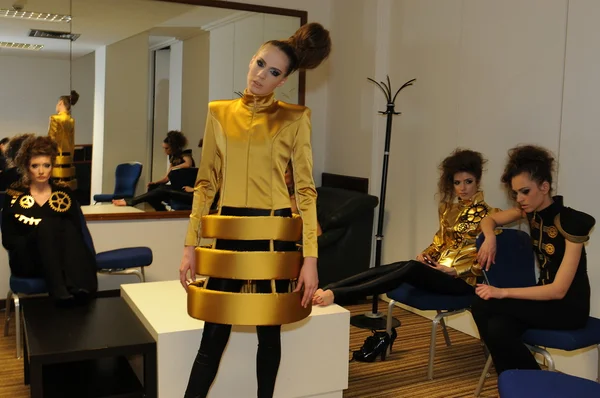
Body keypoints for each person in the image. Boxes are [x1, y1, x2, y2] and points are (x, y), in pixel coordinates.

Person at [178, 23, 331, 398]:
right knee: (213, 332)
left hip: (274, 231)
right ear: (251, 60)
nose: (262, 75)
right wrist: (190, 246)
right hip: (229, 230)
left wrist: (310, 258)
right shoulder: (218, 112)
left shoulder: (296, 118)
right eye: (260, 64)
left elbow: (306, 192)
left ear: (283, 81)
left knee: (269, 329)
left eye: (273, 72)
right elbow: (205, 184)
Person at [312, 149, 499, 360]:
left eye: (468, 182)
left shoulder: (491, 215)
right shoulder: (449, 209)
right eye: (457, 183)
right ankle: (334, 288)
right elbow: (439, 242)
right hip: (437, 272)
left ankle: (337, 293)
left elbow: (489, 260)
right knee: (402, 266)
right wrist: (426, 255)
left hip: (462, 281)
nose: (463, 188)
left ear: (478, 181)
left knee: (408, 268)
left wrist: (455, 270)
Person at [472, 145, 594, 375]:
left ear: (544, 187)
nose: (519, 199)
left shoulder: (570, 223)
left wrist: (503, 292)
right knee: (498, 327)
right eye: (516, 193)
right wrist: (489, 238)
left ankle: (525, 383)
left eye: (525, 191)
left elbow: (558, 291)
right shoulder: (529, 211)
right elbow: (489, 220)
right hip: (543, 302)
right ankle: (522, 383)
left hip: (568, 308)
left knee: (483, 304)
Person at [1, 136, 98, 305]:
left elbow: (76, 233)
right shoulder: (14, 195)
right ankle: (60, 288)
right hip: (27, 259)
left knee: (66, 224)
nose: (41, 171)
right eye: (35, 166)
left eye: (46, 165)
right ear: (26, 167)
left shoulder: (64, 194)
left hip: (62, 259)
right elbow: (9, 240)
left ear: (52, 166)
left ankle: (76, 286)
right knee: (47, 224)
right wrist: (40, 236)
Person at [112, 130, 195, 211]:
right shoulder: (173, 158)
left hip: (185, 188)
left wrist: (174, 168)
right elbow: (166, 178)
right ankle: (161, 211)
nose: (165, 151)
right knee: (152, 188)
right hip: (178, 187)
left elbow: (188, 164)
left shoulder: (185, 154)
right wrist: (156, 183)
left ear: (174, 147)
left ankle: (131, 201)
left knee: (162, 190)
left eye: (167, 148)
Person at [48, 90, 80, 190]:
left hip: (56, 156)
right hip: (68, 158)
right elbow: (72, 141)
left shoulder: (55, 118)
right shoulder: (71, 120)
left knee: (56, 185)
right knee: (67, 185)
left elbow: (51, 138)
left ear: (61, 103)